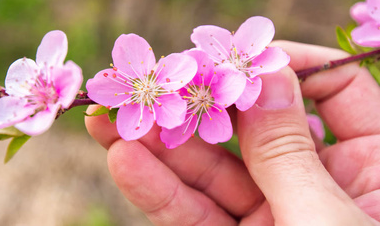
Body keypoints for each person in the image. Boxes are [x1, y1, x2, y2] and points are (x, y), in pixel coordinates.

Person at [85, 41, 380, 225]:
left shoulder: (210, 85)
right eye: (142, 88)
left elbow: (195, 67)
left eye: (149, 85)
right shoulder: (169, 104)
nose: (146, 88)